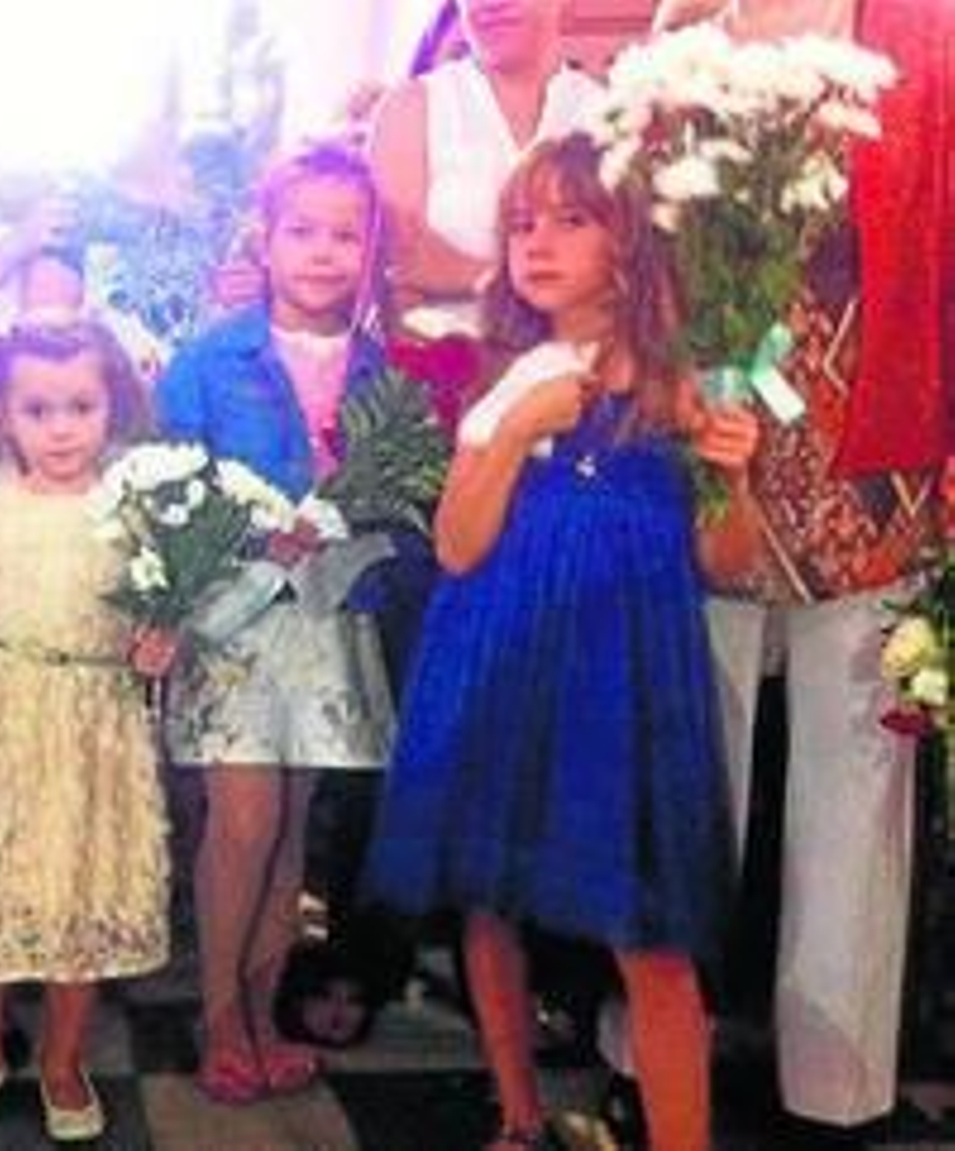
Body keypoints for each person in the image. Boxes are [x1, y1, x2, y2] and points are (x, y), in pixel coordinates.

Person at [592, 2, 955, 1143]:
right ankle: (651, 1048)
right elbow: (620, 252)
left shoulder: (928, 36)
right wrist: (656, 382)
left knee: (860, 767)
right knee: (686, 764)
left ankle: (838, 1082)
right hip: (702, 448)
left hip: (873, 449)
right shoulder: (678, 37)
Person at [363, 133, 763, 1151]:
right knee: (491, 889)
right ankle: (517, 1111)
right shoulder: (509, 376)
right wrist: (512, 428)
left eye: (569, 219)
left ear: (629, 239)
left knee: (648, 923)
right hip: (499, 648)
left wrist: (739, 467)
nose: (535, 241)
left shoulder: (686, 381)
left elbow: (724, 558)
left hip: (622, 673)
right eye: (521, 222)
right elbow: (456, 545)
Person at [155, 143, 396, 1104]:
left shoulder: (382, 368)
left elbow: (402, 500)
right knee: (242, 819)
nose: (324, 252)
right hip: (236, 620)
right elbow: (164, 491)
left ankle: (262, 1006)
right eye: (303, 230)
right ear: (266, 237)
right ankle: (216, 1011)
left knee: (294, 821)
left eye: (347, 233)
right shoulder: (214, 357)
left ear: (372, 247)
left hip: (332, 618)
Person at [0, 318, 172, 1146]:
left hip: (93, 724)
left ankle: (63, 1059)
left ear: (113, 407)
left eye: (80, 406)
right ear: (4, 414)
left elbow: (157, 623)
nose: (60, 427)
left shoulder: (134, 514)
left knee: (77, 890)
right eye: (37, 408)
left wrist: (160, 643)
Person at [367, 0, 600, 338]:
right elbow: (399, 260)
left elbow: (625, 267)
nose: (491, 4)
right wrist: (545, 281)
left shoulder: (608, 111)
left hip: (582, 367)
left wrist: (461, 273)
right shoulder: (411, 107)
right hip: (440, 367)